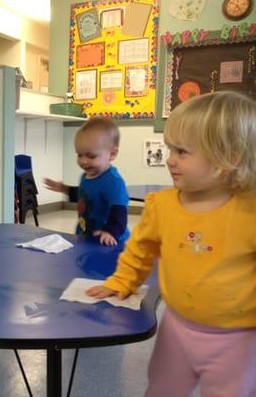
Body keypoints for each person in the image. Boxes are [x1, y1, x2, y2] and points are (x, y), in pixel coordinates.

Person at [87, 92, 256, 397]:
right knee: (163, 389)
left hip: (239, 339)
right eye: (170, 149)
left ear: (229, 158)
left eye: (182, 151)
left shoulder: (249, 211)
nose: (170, 159)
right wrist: (123, 279)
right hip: (176, 328)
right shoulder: (161, 205)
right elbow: (141, 248)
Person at [43, 117, 129, 245]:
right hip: (88, 235)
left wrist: (111, 232)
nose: (83, 161)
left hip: (110, 241)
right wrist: (65, 189)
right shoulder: (86, 176)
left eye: (91, 156)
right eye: (79, 154)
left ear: (112, 154)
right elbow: (85, 195)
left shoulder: (113, 182)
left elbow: (120, 211)